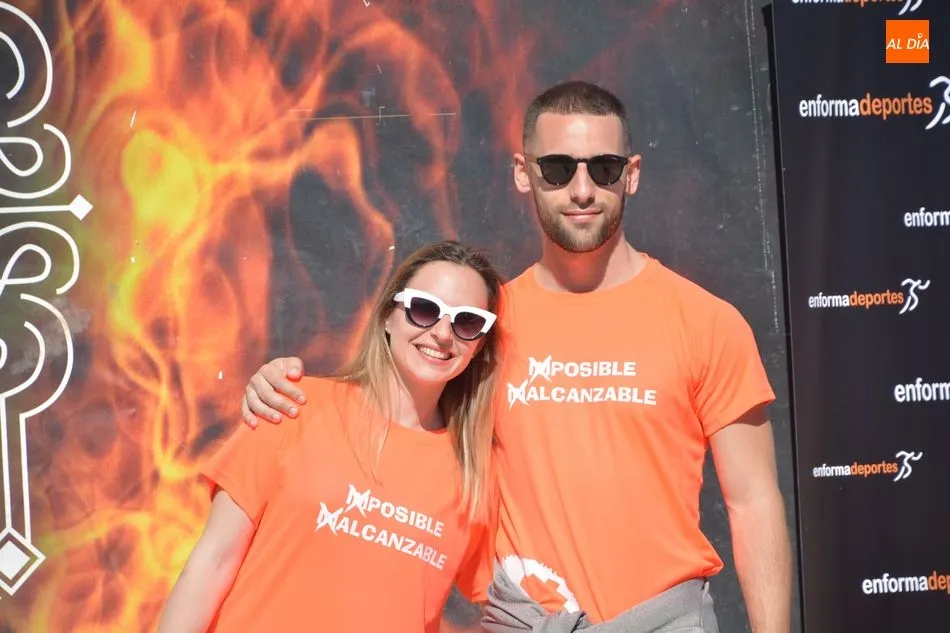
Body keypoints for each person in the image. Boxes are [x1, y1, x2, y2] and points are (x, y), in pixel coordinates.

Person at [240, 81, 792, 632]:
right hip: (525, 622)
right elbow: (388, 417)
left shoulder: (707, 322)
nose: (582, 190)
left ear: (632, 174)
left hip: (663, 621)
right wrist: (281, 390)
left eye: (604, 168)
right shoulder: (479, 327)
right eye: (557, 168)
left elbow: (753, 502)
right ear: (523, 173)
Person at [156, 240, 507, 633]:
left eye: (467, 322)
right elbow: (212, 562)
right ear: (388, 317)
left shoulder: (477, 473)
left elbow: (511, 601)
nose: (442, 333)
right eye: (424, 309)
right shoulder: (291, 406)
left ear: (479, 345)